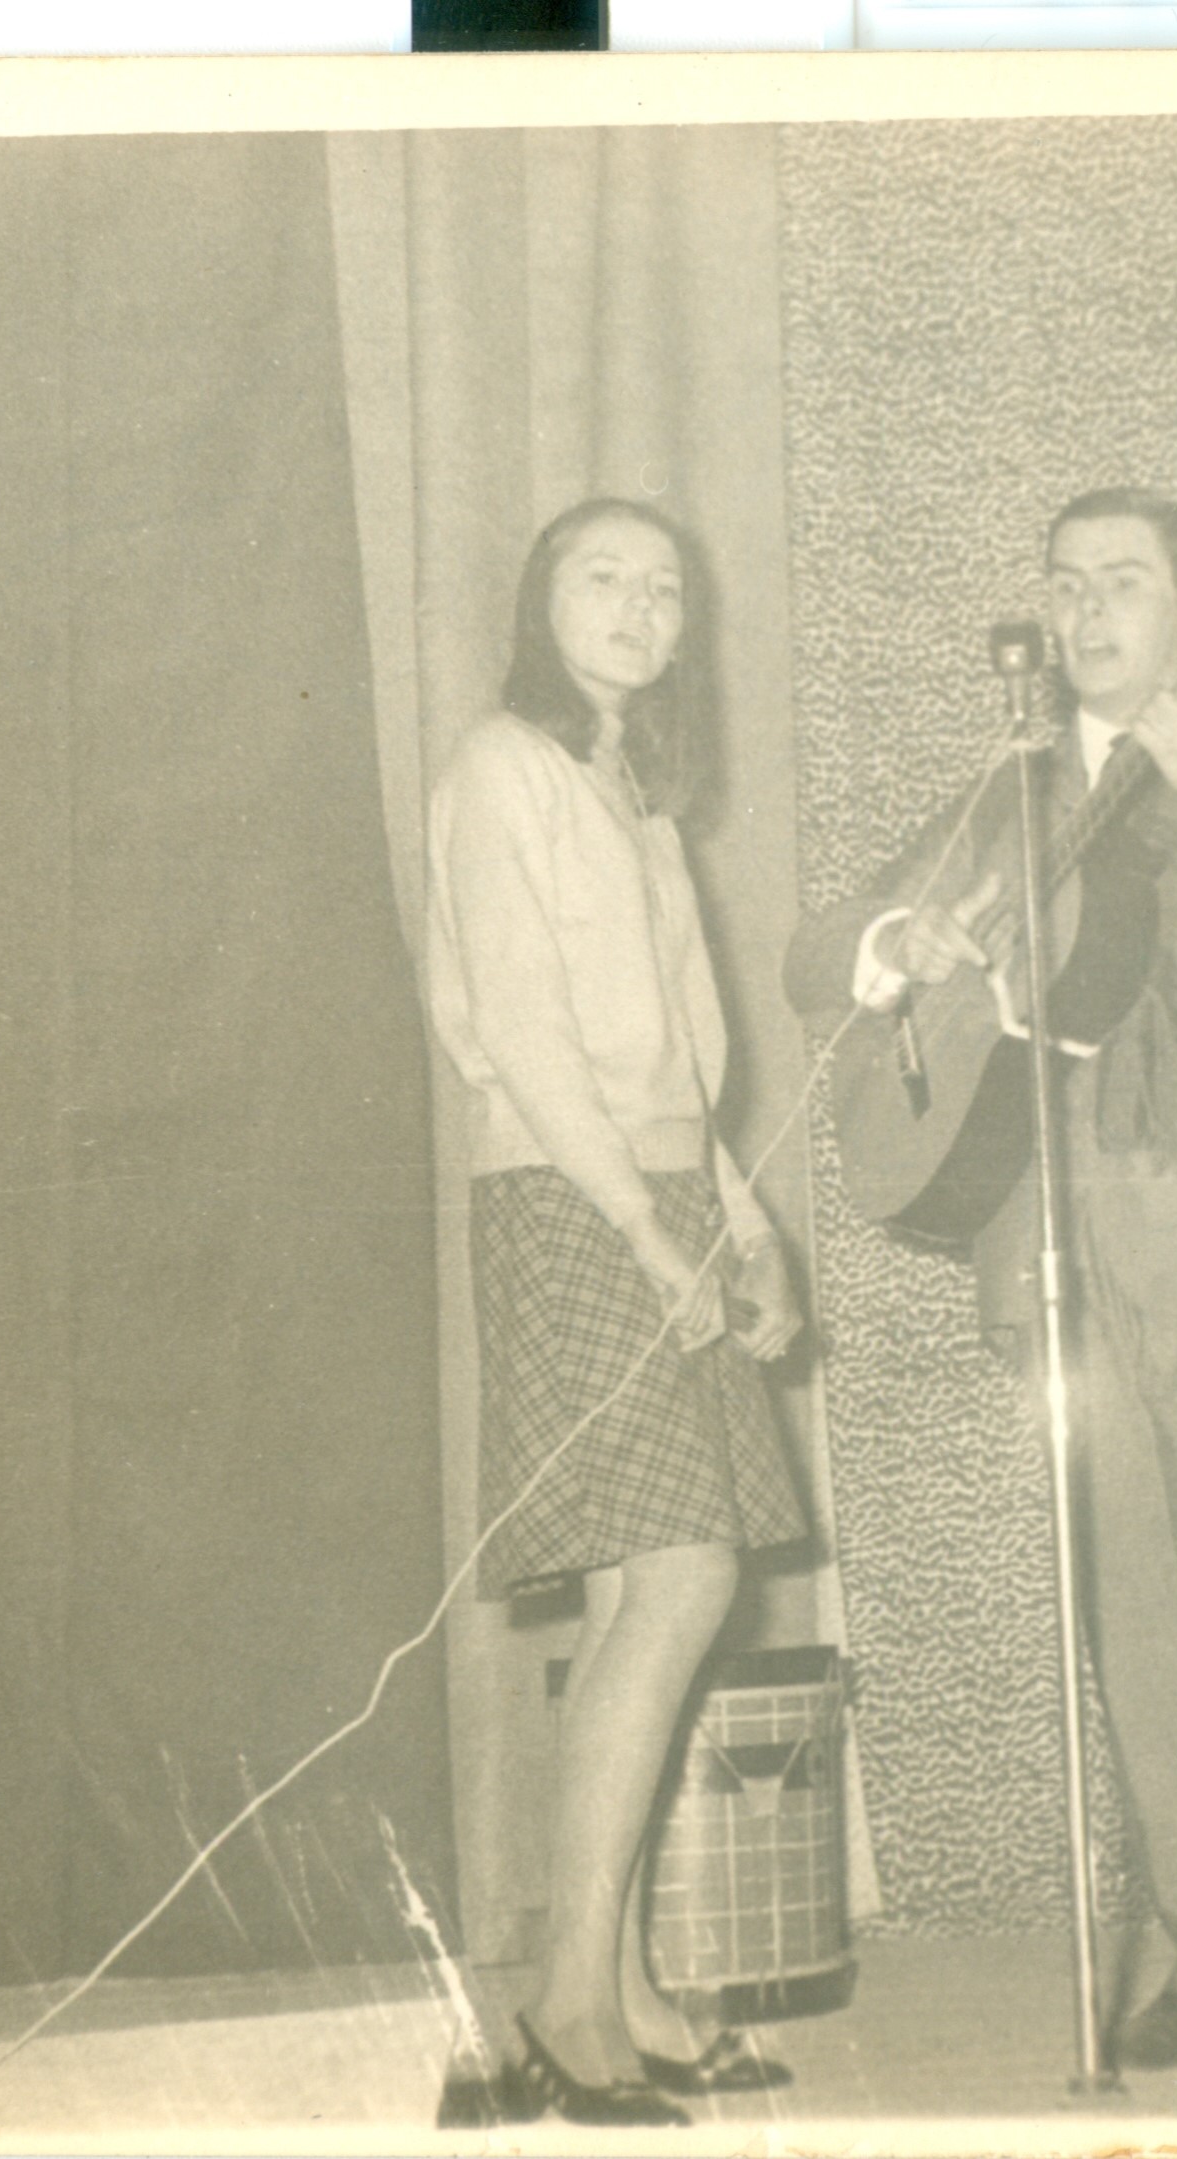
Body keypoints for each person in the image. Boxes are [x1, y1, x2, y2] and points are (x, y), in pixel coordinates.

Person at [784, 488, 1177, 2069]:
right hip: (1062, 1238)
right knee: (1132, 1603)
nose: (1085, 613)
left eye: (1122, 581)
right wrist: (901, 945)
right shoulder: (1010, 790)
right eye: (1063, 586)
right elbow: (813, 948)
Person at [423, 499, 810, 2128]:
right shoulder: (499, 768)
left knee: (667, 1595)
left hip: (657, 1190)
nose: (638, 608)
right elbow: (519, 1029)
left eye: (664, 588)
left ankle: (608, 1988)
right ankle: (566, 2001)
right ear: (541, 602)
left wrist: (740, 1215)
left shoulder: (628, 787)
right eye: (604, 578)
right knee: (682, 1574)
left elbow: (681, 1060)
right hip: (573, 1199)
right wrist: (653, 1239)